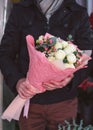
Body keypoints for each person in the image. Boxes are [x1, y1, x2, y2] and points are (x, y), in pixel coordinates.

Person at [0, 0, 92, 130]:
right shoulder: (21, 10)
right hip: (29, 102)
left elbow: (87, 56)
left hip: (64, 103)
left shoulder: (78, 13)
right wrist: (17, 81)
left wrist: (70, 79)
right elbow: (5, 54)